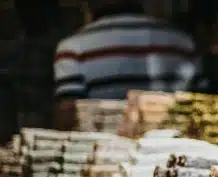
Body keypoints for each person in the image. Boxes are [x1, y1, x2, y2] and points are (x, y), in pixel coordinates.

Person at [53, 0, 198, 130]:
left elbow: (68, 120)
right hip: (174, 154)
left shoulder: (72, 49)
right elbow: (198, 109)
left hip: (104, 154)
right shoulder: (183, 43)